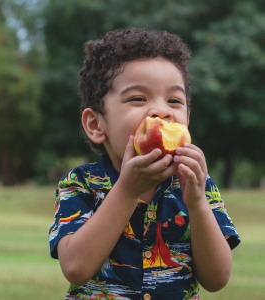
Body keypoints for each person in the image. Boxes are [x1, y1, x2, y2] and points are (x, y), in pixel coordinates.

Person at [49, 28, 240, 300]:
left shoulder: (199, 186)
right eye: (138, 98)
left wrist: (197, 203)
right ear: (96, 124)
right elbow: (76, 268)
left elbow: (217, 279)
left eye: (174, 100)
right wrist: (127, 190)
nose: (162, 111)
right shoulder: (81, 185)